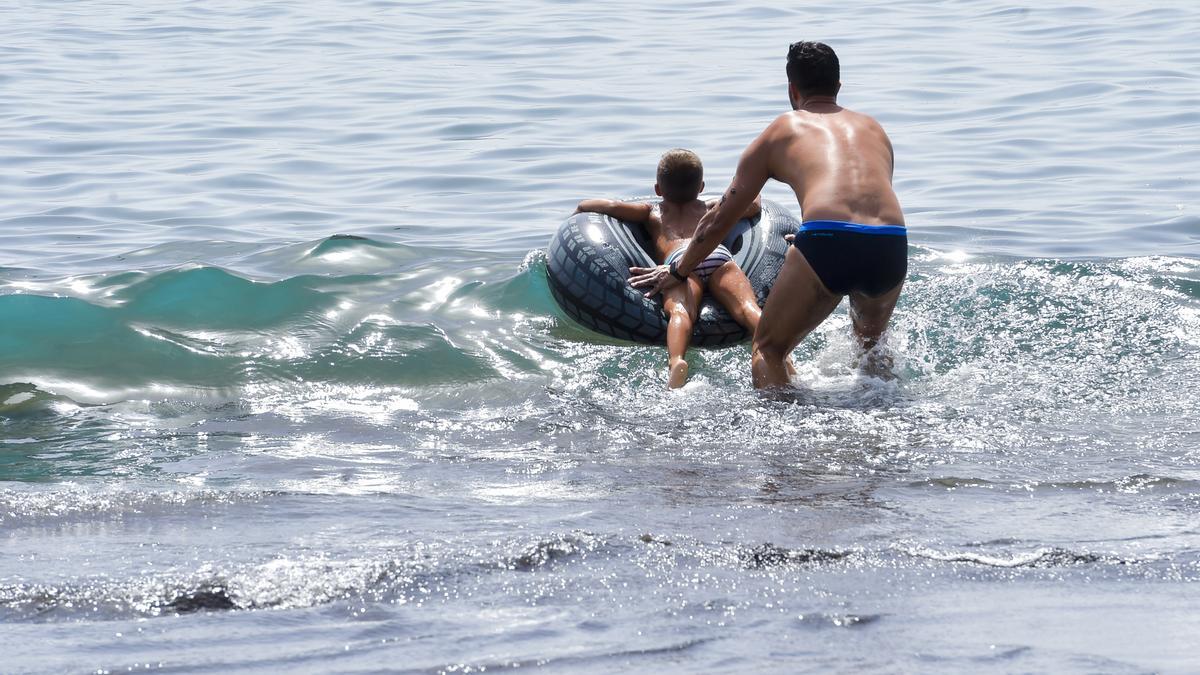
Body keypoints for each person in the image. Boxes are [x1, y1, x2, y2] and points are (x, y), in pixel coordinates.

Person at [629, 41, 907, 389]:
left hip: (828, 240)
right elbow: (860, 207)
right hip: (891, 243)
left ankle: (786, 438)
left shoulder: (782, 130)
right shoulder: (874, 129)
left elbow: (719, 220)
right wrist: (813, 238)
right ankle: (884, 421)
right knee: (870, 348)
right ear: (838, 86)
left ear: (792, 89)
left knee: (768, 350)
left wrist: (678, 269)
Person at [575, 149, 764, 389]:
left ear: (658, 189)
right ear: (702, 186)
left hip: (679, 264)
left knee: (681, 312)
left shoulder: (651, 211)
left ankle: (677, 361)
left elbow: (606, 205)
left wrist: (580, 209)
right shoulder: (710, 208)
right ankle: (772, 350)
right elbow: (753, 204)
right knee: (747, 306)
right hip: (716, 255)